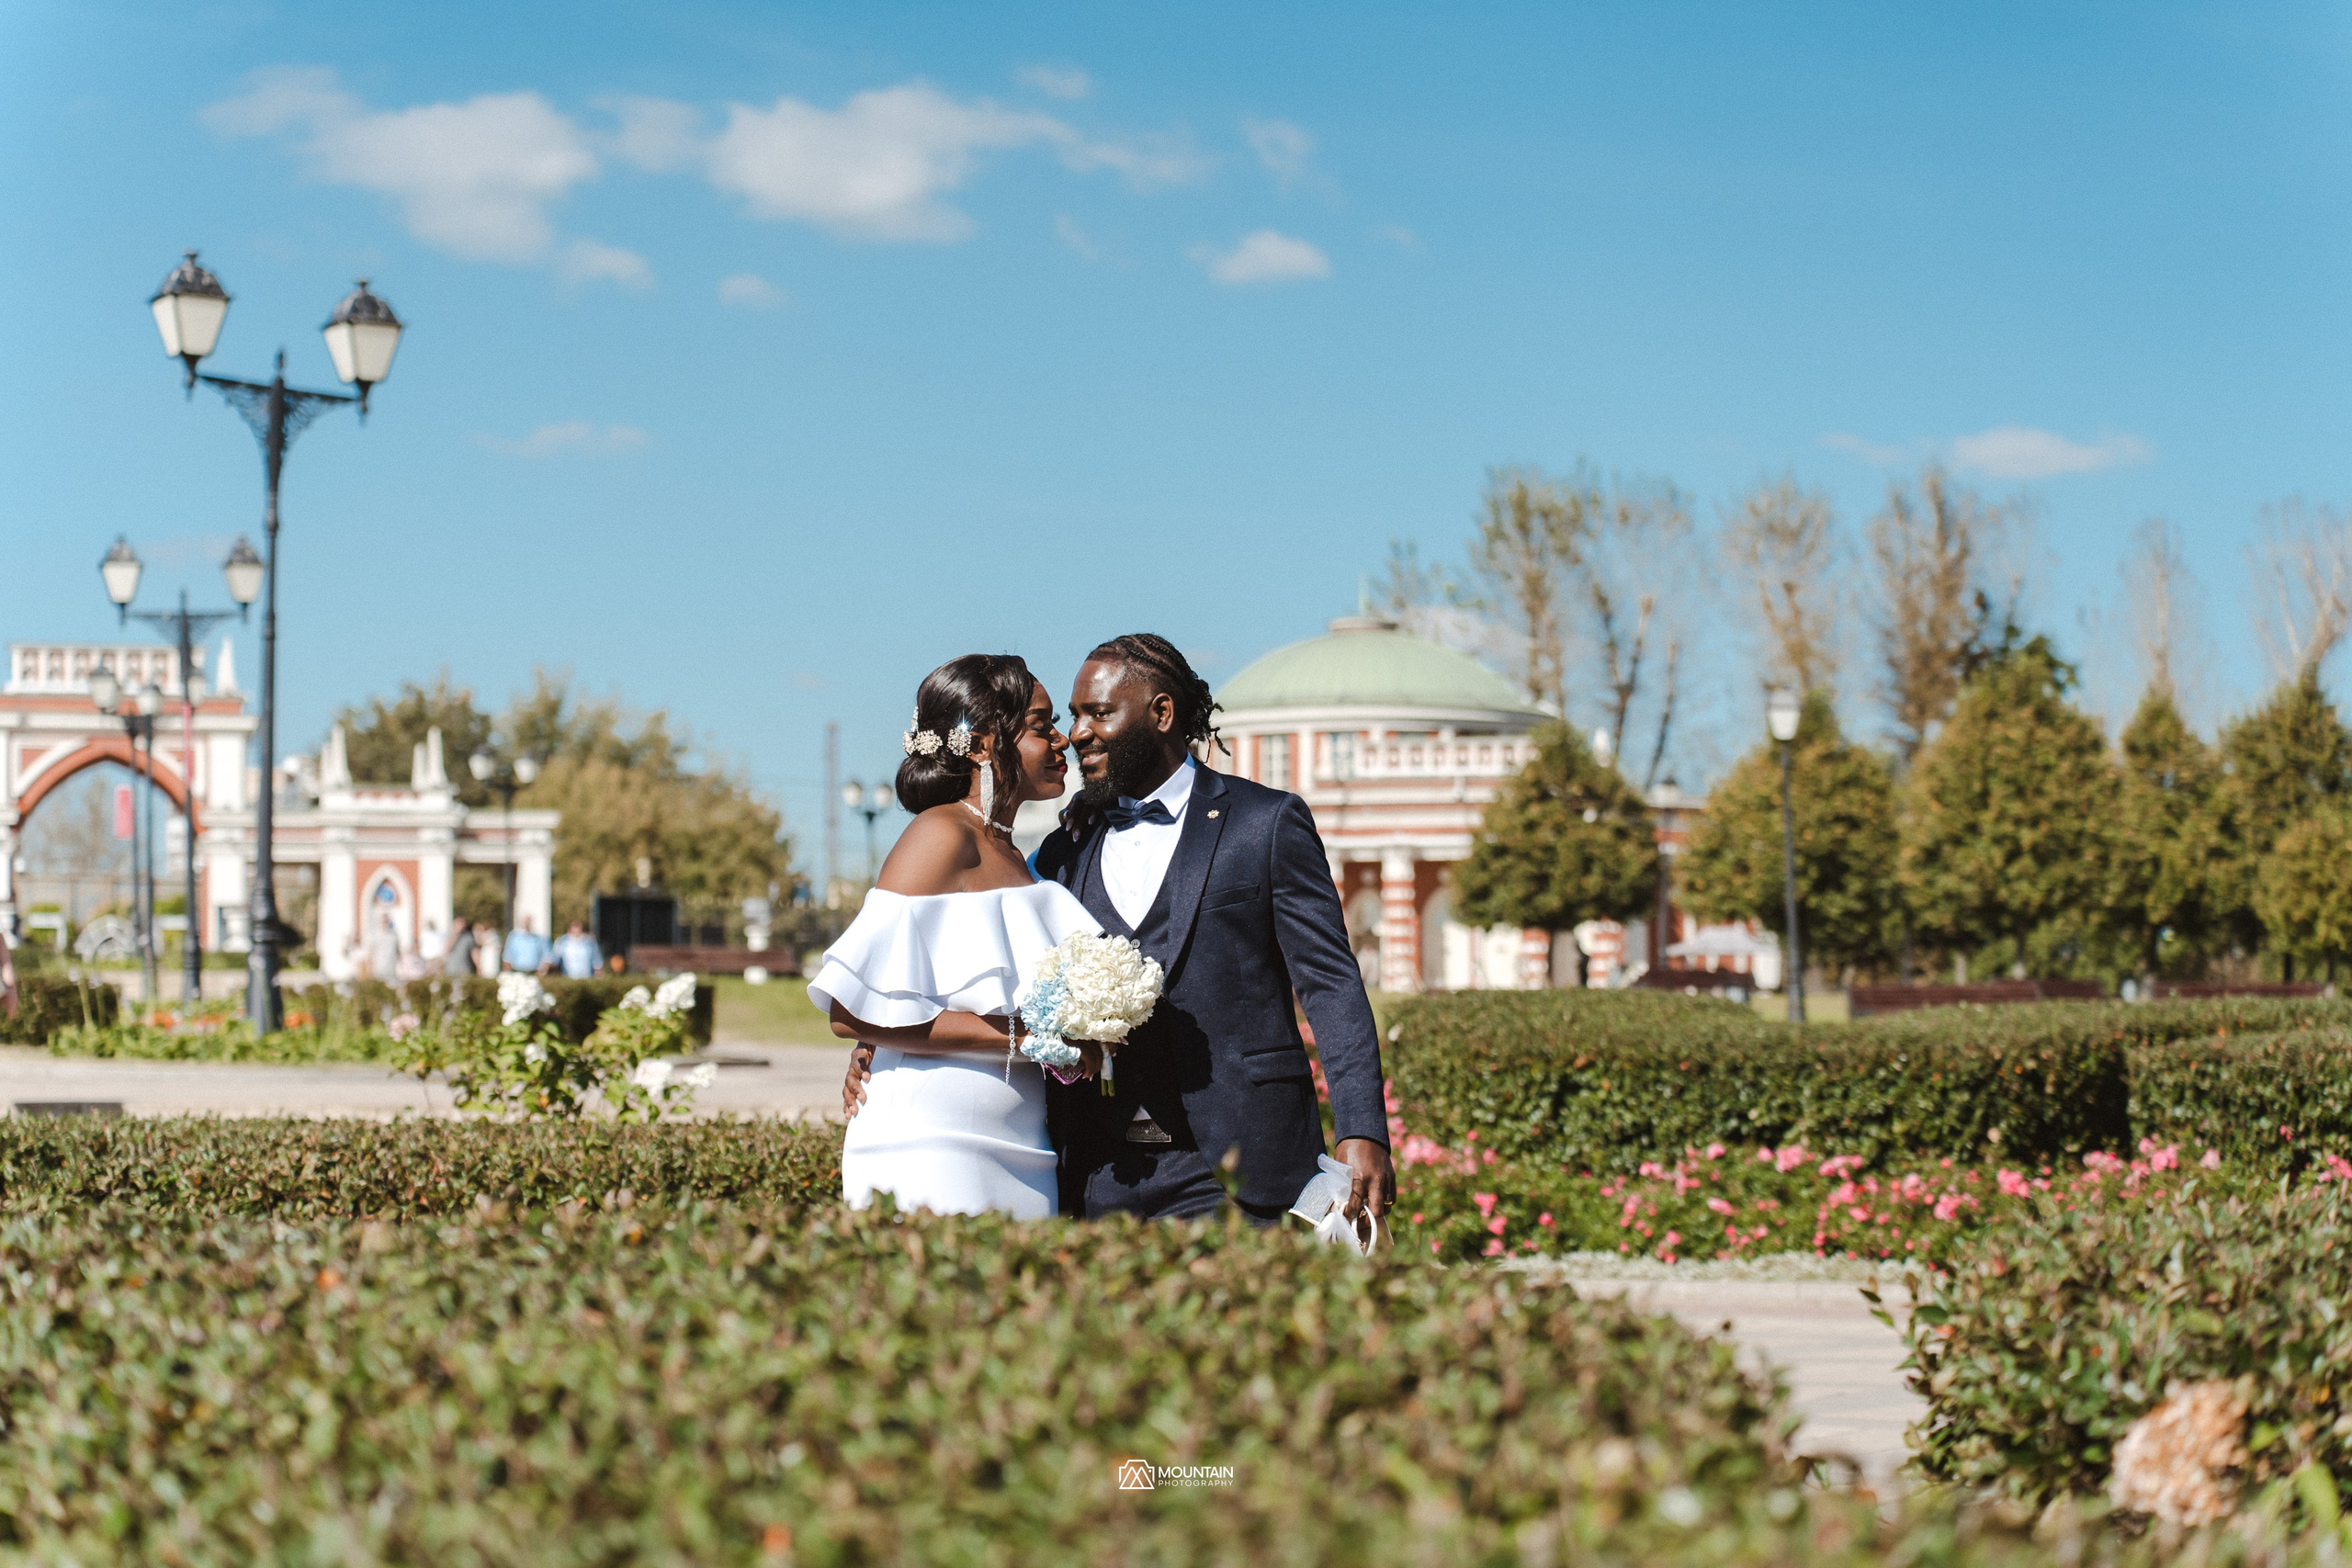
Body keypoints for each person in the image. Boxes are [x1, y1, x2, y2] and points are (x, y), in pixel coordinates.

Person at [845, 634, 1395, 1236]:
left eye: (1099, 713)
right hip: (1095, 1166)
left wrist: (1362, 1129)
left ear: (1161, 713)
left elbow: (1330, 982)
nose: (1077, 733)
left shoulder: (1264, 823)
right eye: (1071, 716)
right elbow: (964, 946)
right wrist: (881, 1041)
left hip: (1238, 1160)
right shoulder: (1062, 848)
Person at [813, 654, 1090, 1219]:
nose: (1062, 739)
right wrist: (1027, 1038)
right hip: (933, 1141)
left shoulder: (1016, 855)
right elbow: (851, 1011)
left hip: (1021, 1143)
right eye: (1040, 726)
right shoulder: (940, 834)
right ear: (983, 745)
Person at [442, 916, 477, 980]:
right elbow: (446, 950)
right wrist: (455, 934)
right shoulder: (449, 937)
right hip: (451, 971)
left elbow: (474, 953)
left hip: (465, 971)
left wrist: (479, 968)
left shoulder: (468, 937)